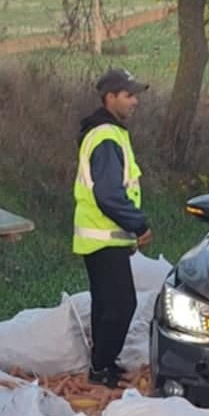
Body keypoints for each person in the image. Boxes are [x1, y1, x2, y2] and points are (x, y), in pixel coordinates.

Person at [73, 67, 153, 387]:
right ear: (110, 97)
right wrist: (138, 224)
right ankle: (101, 369)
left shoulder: (106, 132)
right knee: (121, 305)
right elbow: (108, 194)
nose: (135, 101)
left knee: (106, 304)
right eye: (128, 95)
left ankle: (102, 366)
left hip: (101, 237)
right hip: (103, 236)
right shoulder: (106, 136)